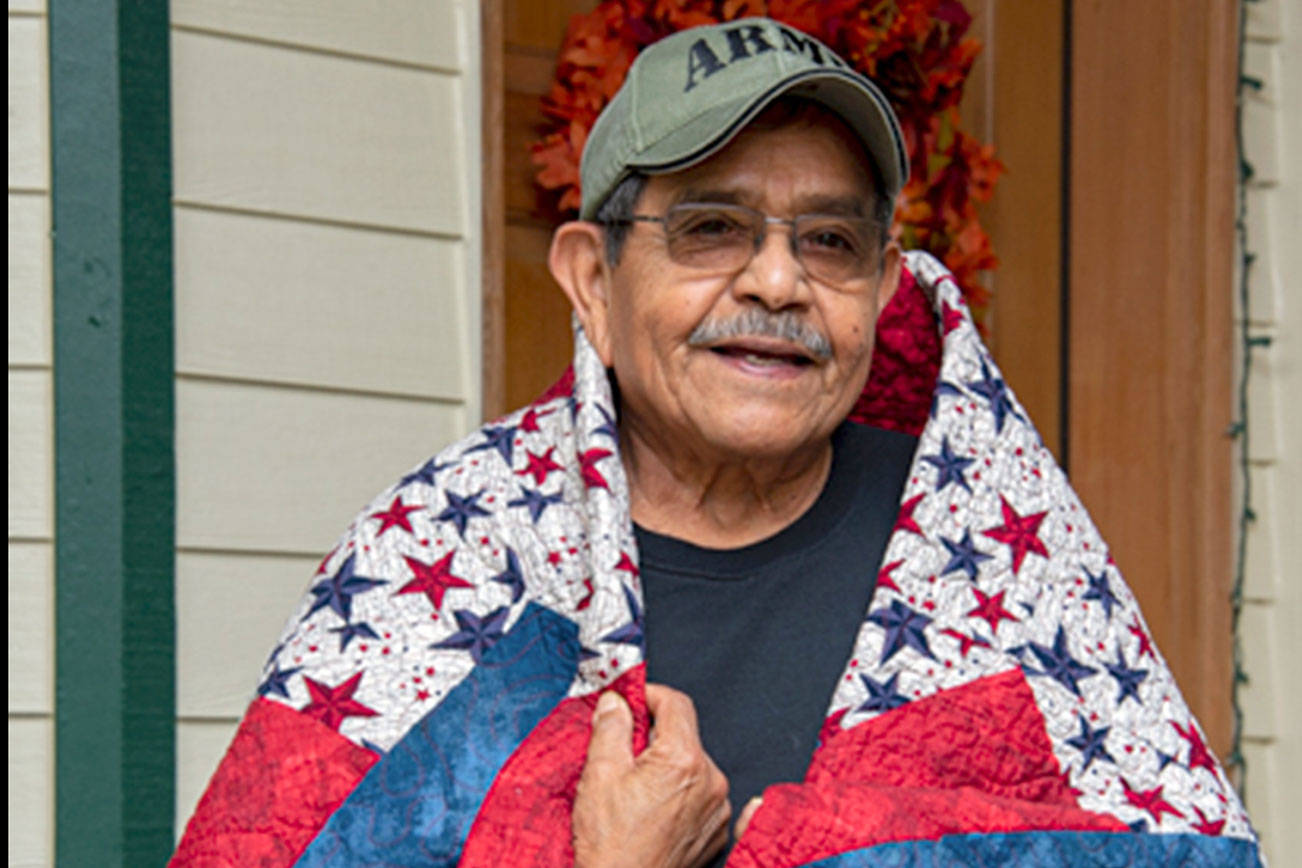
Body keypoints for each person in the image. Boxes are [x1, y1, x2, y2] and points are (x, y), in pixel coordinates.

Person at [171, 18, 1261, 868]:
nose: (778, 281)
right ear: (592, 281)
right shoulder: (448, 557)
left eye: (830, 241)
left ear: (883, 291)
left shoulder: (995, 544)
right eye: (711, 228)